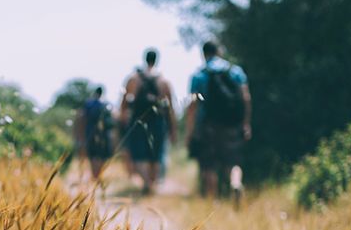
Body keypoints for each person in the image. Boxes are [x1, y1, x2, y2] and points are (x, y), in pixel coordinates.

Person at [186, 41, 252, 198]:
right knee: (233, 160)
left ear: (203, 54)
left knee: (209, 165)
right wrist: (246, 123)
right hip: (232, 123)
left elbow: (193, 106)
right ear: (219, 52)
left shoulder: (199, 75)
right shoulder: (235, 71)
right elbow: (246, 98)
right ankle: (236, 183)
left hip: (208, 124)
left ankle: (212, 201)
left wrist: (190, 132)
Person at [120, 49, 177, 195]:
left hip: (138, 120)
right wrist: (172, 129)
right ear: (157, 60)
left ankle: (146, 182)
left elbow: (124, 104)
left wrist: (123, 124)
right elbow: (170, 108)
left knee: (140, 153)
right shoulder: (164, 81)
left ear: (144, 59)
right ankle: (152, 183)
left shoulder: (133, 78)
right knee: (156, 154)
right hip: (158, 121)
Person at [76, 86, 114, 179]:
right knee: (102, 155)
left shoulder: (88, 104)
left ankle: (95, 175)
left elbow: (82, 118)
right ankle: (98, 174)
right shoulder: (106, 104)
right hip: (104, 134)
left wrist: (80, 134)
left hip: (90, 133)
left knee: (93, 155)